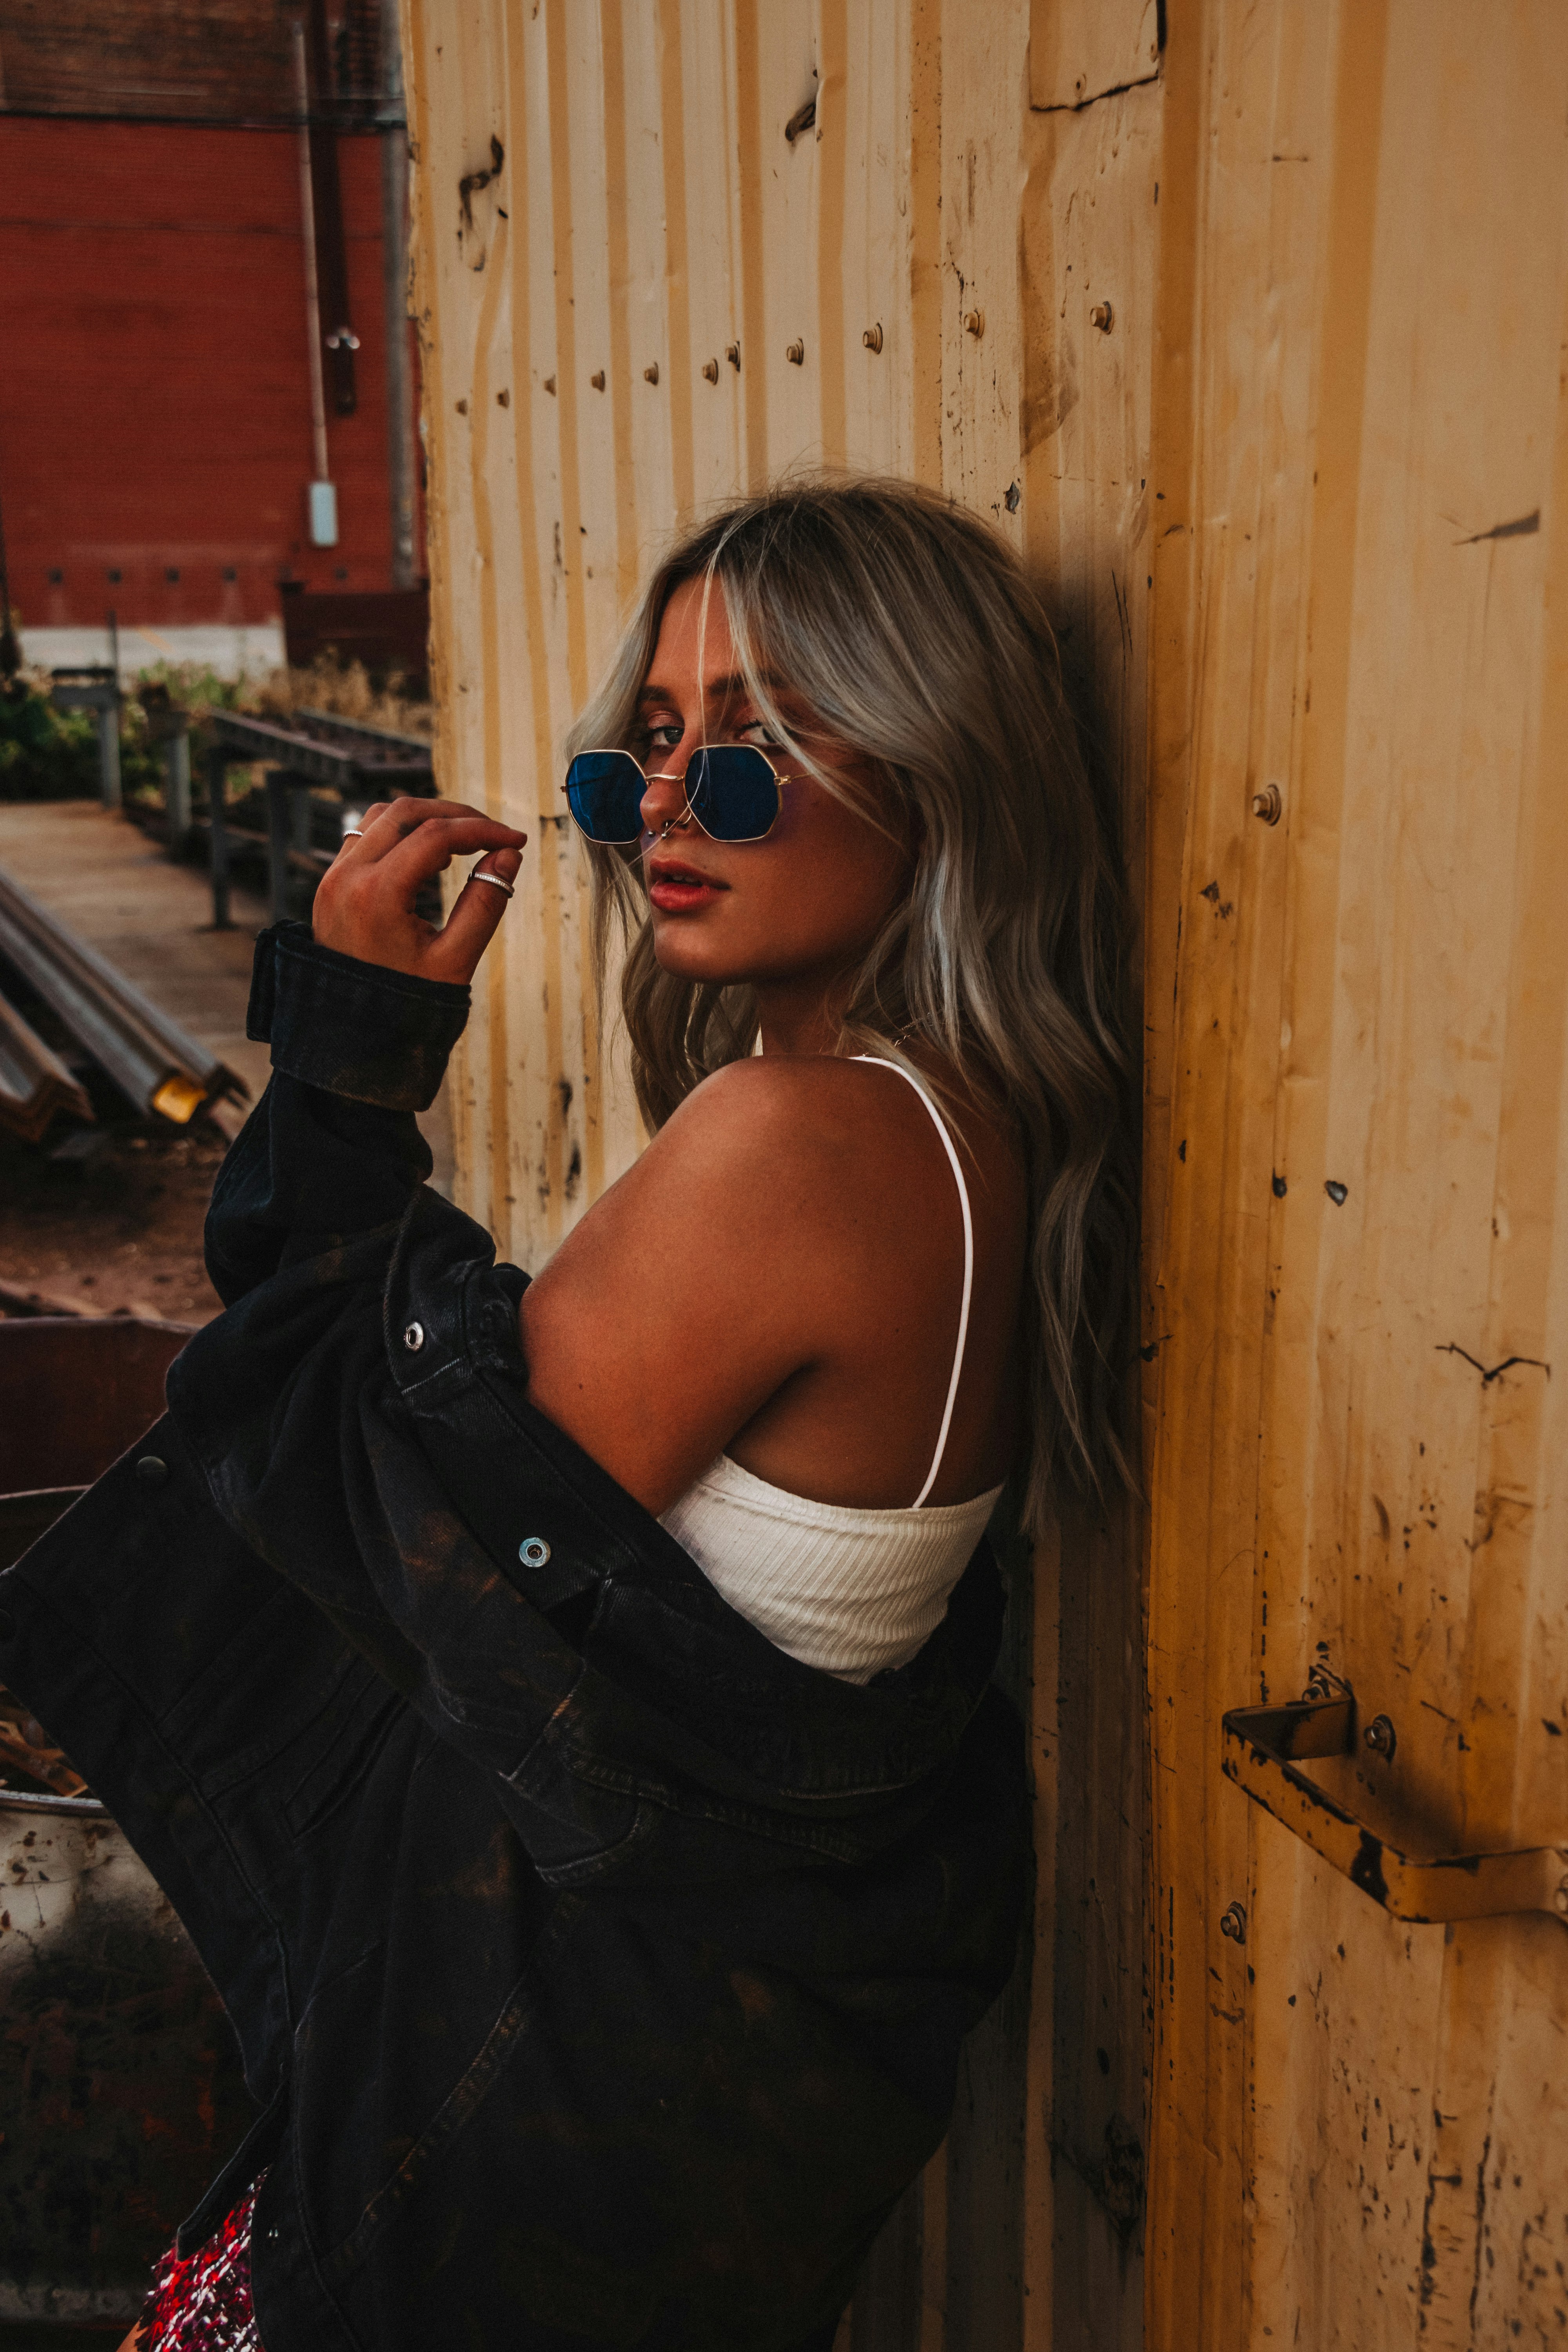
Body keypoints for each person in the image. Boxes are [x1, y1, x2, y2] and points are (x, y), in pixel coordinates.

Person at [6, 479, 1131, 2352]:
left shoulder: (805, 1140)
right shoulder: (947, 1123)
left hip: (545, 2093)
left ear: (943, 769)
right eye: (651, 746)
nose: (673, 803)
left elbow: (328, 1483)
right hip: (651, 2089)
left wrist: (350, 1064)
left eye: (757, 748)